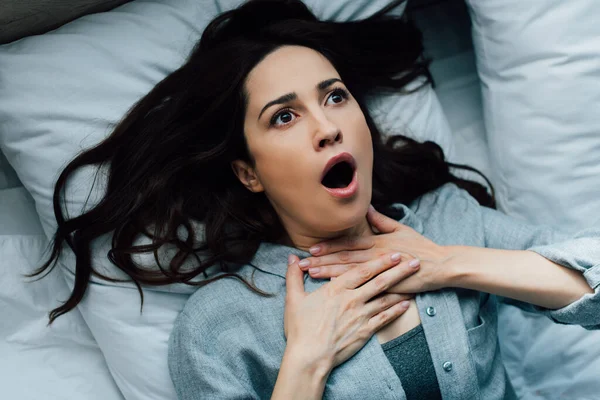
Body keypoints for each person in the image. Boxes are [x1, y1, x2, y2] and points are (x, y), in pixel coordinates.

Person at [33, 0, 600, 399]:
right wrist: (306, 361)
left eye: (334, 96)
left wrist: (449, 264)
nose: (327, 127)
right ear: (248, 172)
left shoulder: (446, 219)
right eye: (284, 116)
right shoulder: (220, 325)